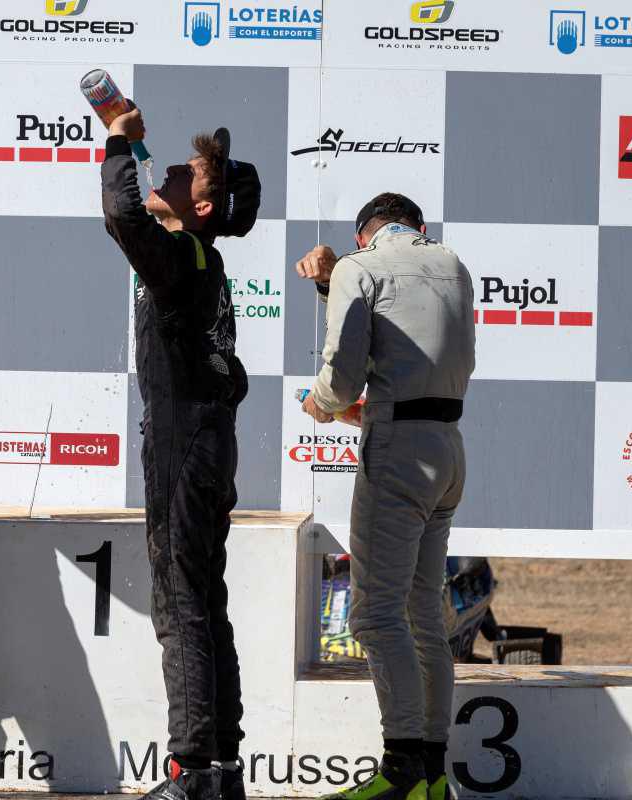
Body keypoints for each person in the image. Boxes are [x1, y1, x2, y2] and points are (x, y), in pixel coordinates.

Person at [101, 107, 261, 800]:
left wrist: (114, 138)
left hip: (183, 439)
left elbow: (119, 214)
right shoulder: (204, 258)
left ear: (200, 204)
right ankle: (220, 770)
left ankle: (193, 770)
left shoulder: (183, 256)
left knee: (179, 604)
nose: (159, 173)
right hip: (204, 435)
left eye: (176, 174)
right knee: (203, 599)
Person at [294, 193, 475, 800]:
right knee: (424, 614)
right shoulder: (452, 263)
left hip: (399, 453)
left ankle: (401, 773)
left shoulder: (359, 266)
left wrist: (319, 404)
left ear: (365, 234)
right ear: (417, 227)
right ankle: (432, 775)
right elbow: (407, 361)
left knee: (374, 614)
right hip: (448, 448)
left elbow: (342, 377)